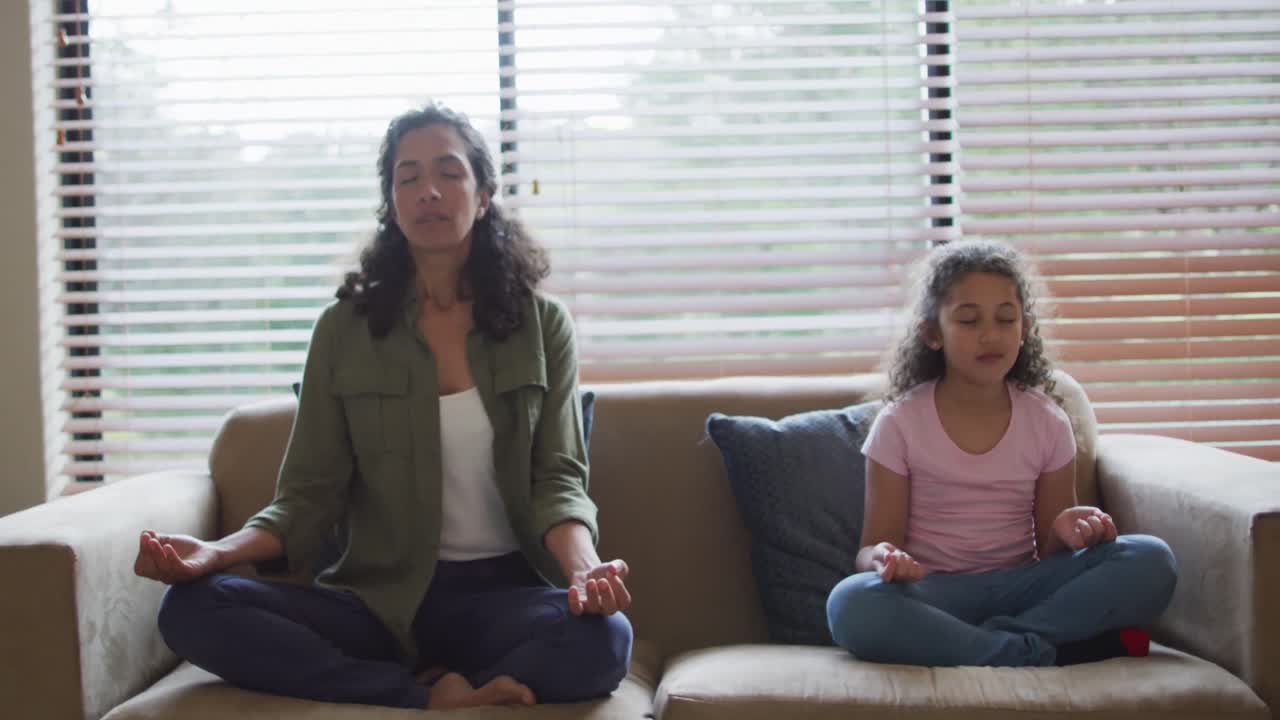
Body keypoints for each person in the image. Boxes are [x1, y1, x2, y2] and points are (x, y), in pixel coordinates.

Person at [133, 102, 633, 710]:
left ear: (481, 195)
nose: (428, 190)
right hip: (375, 602)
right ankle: (425, 693)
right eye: (409, 176)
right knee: (193, 609)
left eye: (449, 172)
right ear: (391, 205)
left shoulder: (541, 324)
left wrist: (585, 570)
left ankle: (433, 676)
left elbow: (559, 477)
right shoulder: (344, 330)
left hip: (503, 598)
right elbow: (306, 496)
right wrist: (217, 552)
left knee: (604, 639)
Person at [825, 239, 1177, 667]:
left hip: (1024, 588)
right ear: (932, 333)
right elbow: (869, 551)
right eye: (969, 321)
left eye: (1005, 319)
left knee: (1152, 559)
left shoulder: (1047, 419)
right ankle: (1033, 650)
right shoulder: (899, 422)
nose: (990, 335)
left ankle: (994, 644)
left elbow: (1053, 555)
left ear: (1024, 328)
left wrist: (1067, 529)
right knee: (849, 603)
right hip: (933, 595)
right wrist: (883, 558)